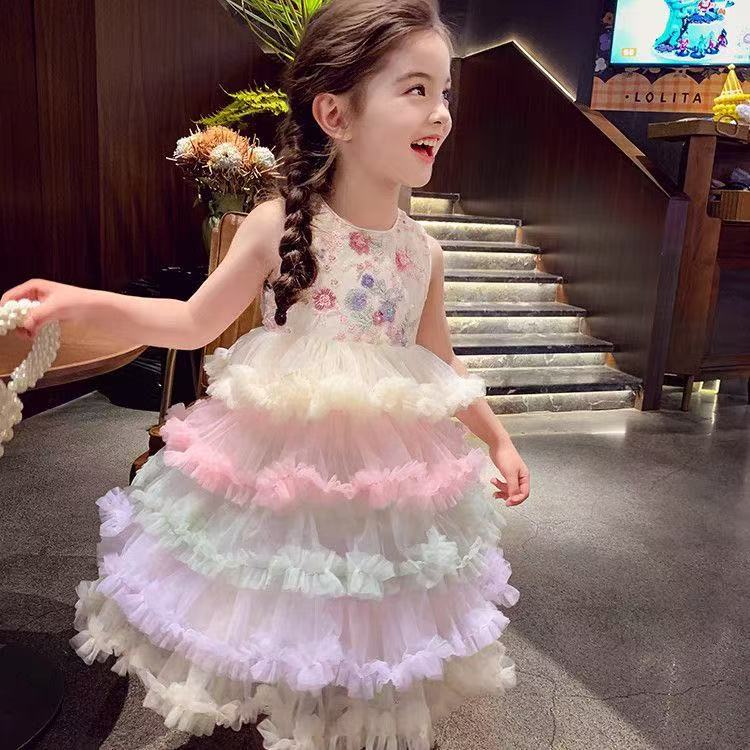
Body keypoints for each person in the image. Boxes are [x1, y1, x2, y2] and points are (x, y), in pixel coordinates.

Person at [1, 0, 531, 746]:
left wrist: (496, 437)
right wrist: (80, 300)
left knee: (366, 593)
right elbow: (193, 322)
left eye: (443, 91)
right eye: (416, 89)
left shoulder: (424, 253)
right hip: (284, 459)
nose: (440, 113)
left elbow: (439, 357)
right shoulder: (280, 222)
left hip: (386, 472)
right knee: (281, 594)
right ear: (335, 115)